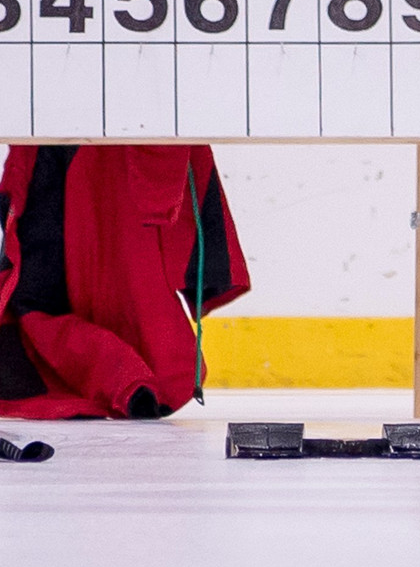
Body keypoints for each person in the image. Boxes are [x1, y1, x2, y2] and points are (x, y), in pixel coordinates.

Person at [0, 145, 249, 419]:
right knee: (128, 289)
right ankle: (130, 382)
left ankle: (128, 381)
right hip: (121, 162)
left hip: (73, 155)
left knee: (36, 308)